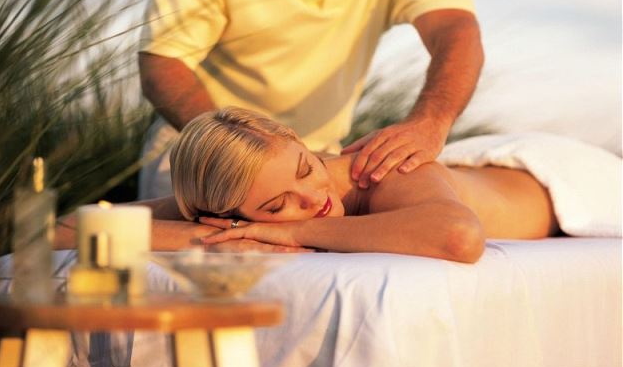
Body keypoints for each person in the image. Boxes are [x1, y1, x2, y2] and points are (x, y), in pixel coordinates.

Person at [137, 0, 484, 199]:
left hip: (320, 162)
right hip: (204, 158)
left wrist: (430, 122)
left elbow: (455, 29)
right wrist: (240, 151)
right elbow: (163, 63)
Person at [135, 107, 557, 263]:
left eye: (306, 168)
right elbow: (93, 225)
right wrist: (214, 239)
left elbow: (459, 237)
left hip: (550, 176)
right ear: (228, 214)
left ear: (298, 142)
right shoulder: (239, 195)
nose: (313, 198)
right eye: (278, 206)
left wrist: (292, 229)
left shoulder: (383, 173)